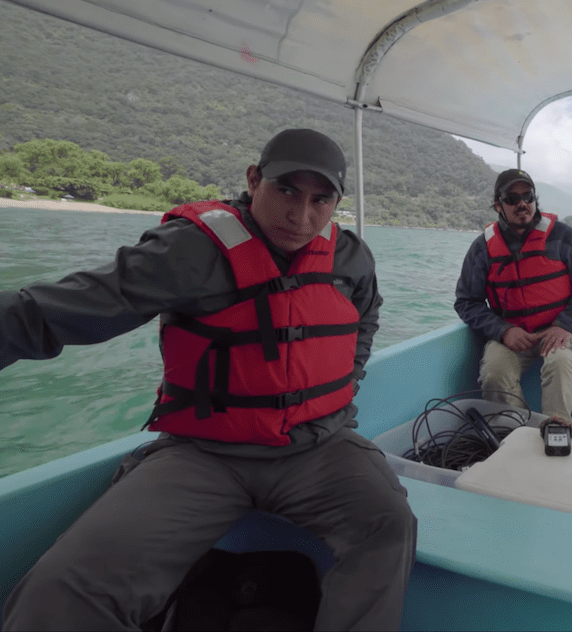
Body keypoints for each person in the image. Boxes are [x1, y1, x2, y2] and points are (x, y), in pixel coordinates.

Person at [1, 128, 417, 630]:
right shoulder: (190, 250)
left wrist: (346, 382)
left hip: (318, 448)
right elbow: (66, 308)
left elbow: (365, 318)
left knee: (389, 525)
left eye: (319, 199)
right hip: (204, 453)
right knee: (60, 590)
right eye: (286, 190)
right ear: (253, 179)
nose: (300, 215)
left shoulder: (351, 256)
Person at [454, 168, 572, 428]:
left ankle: (557, 430)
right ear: (498, 205)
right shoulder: (483, 248)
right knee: (494, 373)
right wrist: (503, 330)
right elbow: (467, 301)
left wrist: (565, 324)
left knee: (559, 363)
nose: (522, 203)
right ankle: (517, 432)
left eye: (528, 196)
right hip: (512, 335)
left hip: (558, 330)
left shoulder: (563, 237)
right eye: (512, 199)